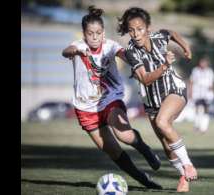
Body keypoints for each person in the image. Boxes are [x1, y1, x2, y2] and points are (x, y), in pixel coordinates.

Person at [61, 6, 162, 189]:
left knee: (123, 134)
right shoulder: (79, 46)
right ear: (84, 33)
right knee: (113, 151)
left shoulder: (110, 45)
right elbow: (66, 51)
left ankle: (146, 150)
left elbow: (124, 54)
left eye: (98, 33)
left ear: (103, 33)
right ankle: (143, 179)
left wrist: (136, 62)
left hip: (109, 98)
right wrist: (75, 52)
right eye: (90, 33)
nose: (94, 37)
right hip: (86, 108)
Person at [117, 7, 198, 192]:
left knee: (162, 122)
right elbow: (145, 79)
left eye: (140, 29)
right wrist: (165, 65)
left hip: (174, 90)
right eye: (131, 30)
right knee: (166, 145)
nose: (136, 34)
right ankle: (183, 177)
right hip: (151, 101)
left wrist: (186, 47)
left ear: (148, 28)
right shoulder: (131, 52)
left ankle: (188, 165)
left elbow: (172, 33)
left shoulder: (159, 37)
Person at [189, 57, 214, 133]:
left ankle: (204, 127)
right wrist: (190, 92)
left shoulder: (210, 72)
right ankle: (197, 126)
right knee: (197, 110)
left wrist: (212, 89)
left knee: (206, 110)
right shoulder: (195, 71)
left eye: (204, 63)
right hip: (197, 94)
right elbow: (191, 82)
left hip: (207, 94)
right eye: (201, 62)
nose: (202, 64)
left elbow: (212, 82)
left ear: (207, 64)